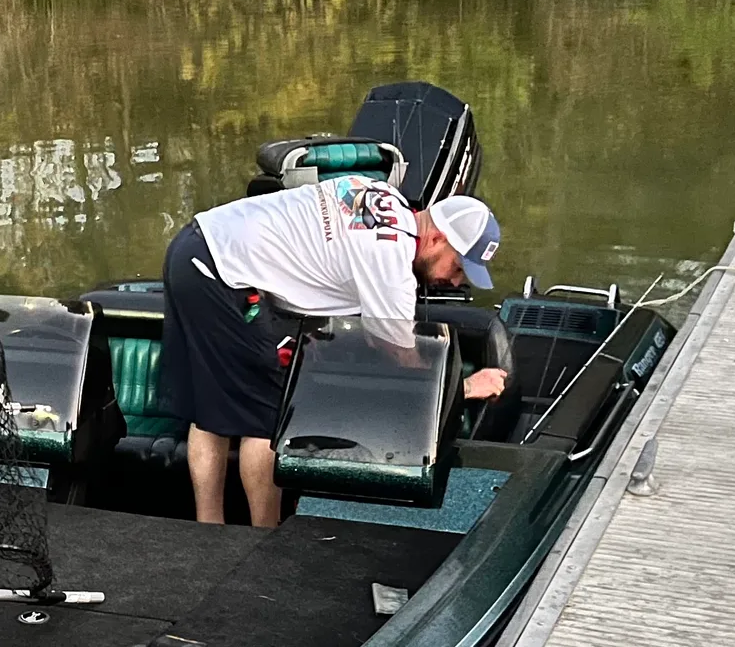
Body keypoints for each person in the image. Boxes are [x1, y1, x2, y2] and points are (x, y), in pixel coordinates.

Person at [158, 177, 509, 527]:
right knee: (265, 420)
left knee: (209, 412)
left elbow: (326, 259)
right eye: (458, 267)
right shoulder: (392, 260)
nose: (458, 282)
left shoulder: (384, 195)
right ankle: (263, 539)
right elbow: (405, 368)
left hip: (194, 247)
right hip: (222, 273)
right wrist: (465, 388)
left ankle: (208, 530)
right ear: (436, 239)